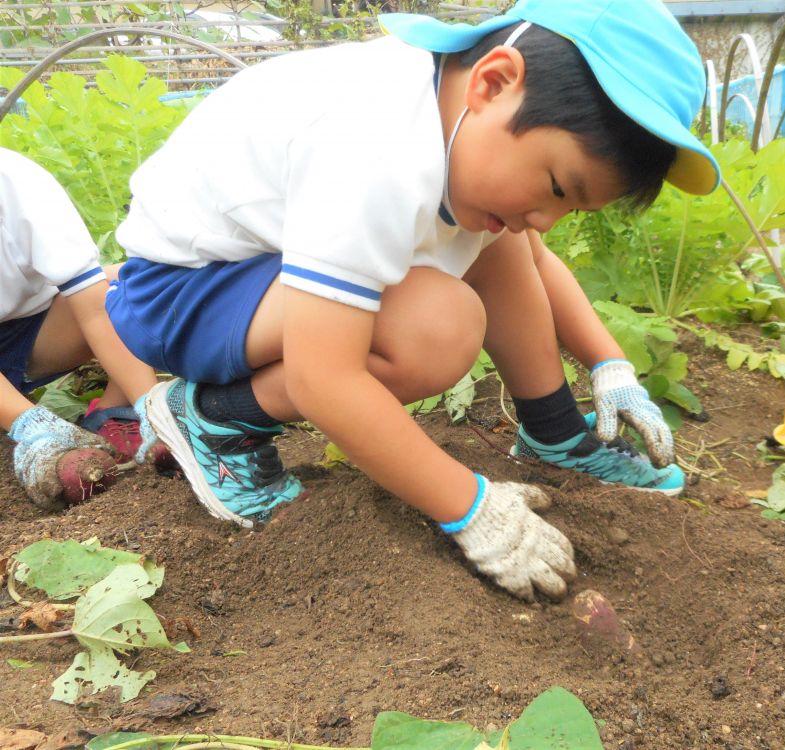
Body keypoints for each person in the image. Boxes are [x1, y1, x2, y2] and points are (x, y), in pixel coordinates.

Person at [107, 0, 721, 601]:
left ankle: (554, 433)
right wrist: (471, 508)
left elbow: (534, 257)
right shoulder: (373, 141)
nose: (549, 219)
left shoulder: (455, 117)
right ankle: (217, 417)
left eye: (570, 207)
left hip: (252, 281)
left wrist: (611, 367)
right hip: (180, 292)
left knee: (504, 241)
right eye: (558, 187)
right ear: (495, 81)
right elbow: (327, 379)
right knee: (434, 327)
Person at [0, 147, 171, 510]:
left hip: (30, 335)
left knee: (132, 285)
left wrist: (151, 407)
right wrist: (31, 425)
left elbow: (94, 306)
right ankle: (29, 425)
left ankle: (113, 414)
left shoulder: (18, 182)